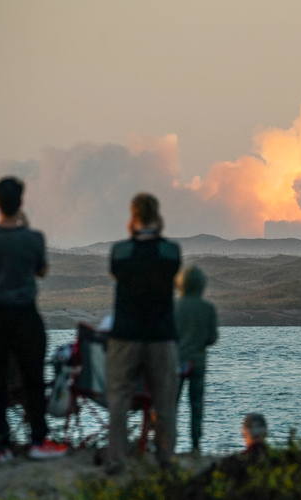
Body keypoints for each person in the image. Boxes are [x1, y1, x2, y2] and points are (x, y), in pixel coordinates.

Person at [0, 177, 66, 462]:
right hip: (25, 314)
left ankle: (2, 444)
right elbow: (42, 270)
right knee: (33, 378)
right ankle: (37, 440)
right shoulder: (33, 238)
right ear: (21, 202)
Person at [106, 193, 181, 474]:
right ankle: (165, 459)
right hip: (161, 334)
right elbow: (172, 270)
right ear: (158, 218)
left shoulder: (120, 252)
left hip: (125, 333)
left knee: (119, 399)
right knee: (164, 400)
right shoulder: (170, 251)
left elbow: (117, 272)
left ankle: (116, 460)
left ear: (132, 217)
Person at [174, 265, 219, 457]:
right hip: (198, 362)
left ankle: (169, 443)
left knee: (172, 404)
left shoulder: (174, 307)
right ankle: (195, 444)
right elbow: (212, 338)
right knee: (196, 404)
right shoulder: (208, 308)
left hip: (177, 363)